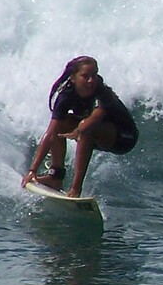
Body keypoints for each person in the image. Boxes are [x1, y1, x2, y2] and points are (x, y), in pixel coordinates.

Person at [21, 55, 138, 197]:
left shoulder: (102, 93)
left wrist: (79, 130)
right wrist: (32, 170)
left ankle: (76, 189)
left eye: (94, 75)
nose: (91, 80)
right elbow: (51, 133)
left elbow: (94, 119)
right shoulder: (66, 95)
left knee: (85, 127)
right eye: (85, 76)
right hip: (96, 132)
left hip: (124, 137)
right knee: (61, 125)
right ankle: (55, 177)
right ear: (73, 77)